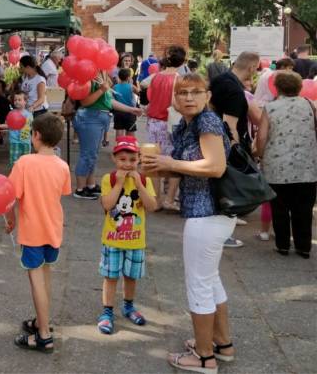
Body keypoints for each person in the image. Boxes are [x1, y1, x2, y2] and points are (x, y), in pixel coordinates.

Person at [142, 73, 235, 374]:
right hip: (207, 214)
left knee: (199, 285)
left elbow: (215, 166)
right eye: (182, 92)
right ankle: (222, 343)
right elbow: (187, 169)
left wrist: (170, 164)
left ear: (207, 96)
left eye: (196, 92)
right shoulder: (187, 125)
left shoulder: (207, 122)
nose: (189, 97)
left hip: (208, 213)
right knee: (211, 280)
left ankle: (204, 357)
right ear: (174, 98)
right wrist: (156, 168)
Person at [5, 114, 70, 352]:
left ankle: (43, 335)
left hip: (33, 231)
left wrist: (10, 220)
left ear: (36, 135)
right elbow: (63, 192)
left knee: (36, 282)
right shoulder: (62, 166)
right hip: (53, 229)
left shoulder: (24, 163)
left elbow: (10, 197)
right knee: (45, 277)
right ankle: (43, 322)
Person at [96, 136, 157, 335]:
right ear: (115, 159)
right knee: (111, 277)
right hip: (113, 239)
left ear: (138, 159)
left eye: (132, 160)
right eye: (122, 159)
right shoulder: (109, 179)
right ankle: (107, 312)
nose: (127, 164)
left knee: (131, 276)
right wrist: (119, 184)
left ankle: (128, 306)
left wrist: (139, 185)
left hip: (136, 240)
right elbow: (107, 205)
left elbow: (152, 206)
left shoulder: (144, 180)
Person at [254, 71, 317, 258]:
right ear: (299, 88)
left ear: (278, 87)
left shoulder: (270, 107)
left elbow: (262, 136)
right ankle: (303, 247)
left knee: (280, 207)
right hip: (306, 166)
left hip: (277, 166)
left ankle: (282, 245)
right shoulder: (309, 105)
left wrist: (260, 154)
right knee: (304, 208)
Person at [210, 51, 260, 248]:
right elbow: (229, 125)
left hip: (215, 142)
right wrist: (236, 150)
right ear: (251, 68)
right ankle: (223, 236)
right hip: (228, 147)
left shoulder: (220, 79)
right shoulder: (235, 90)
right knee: (228, 194)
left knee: (220, 193)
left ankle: (221, 232)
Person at [72, 71, 142, 200]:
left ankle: (90, 185)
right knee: (87, 154)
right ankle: (80, 189)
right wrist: (101, 89)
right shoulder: (88, 76)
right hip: (90, 118)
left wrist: (131, 109)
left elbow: (109, 101)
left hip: (98, 118)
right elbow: (84, 102)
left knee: (92, 154)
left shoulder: (102, 75)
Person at [145, 46, 185, 212]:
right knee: (174, 162)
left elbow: (150, 97)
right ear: (182, 61)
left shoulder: (155, 77)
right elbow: (176, 104)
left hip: (152, 122)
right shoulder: (179, 79)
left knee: (153, 162)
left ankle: (156, 200)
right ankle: (169, 199)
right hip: (168, 124)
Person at [0, 92, 32, 169]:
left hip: (25, 142)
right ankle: (15, 176)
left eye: (19, 100)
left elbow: (30, 127)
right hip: (14, 142)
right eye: (15, 100)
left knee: (26, 162)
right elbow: (8, 124)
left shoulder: (28, 114)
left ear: (25, 102)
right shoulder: (11, 113)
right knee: (14, 162)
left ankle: (24, 176)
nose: (17, 101)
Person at [112, 69, 139, 139]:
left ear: (119, 76)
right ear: (128, 77)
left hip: (118, 111)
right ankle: (130, 147)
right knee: (130, 132)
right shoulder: (131, 86)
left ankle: (119, 146)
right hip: (130, 112)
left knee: (119, 131)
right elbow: (139, 93)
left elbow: (113, 98)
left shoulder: (115, 87)